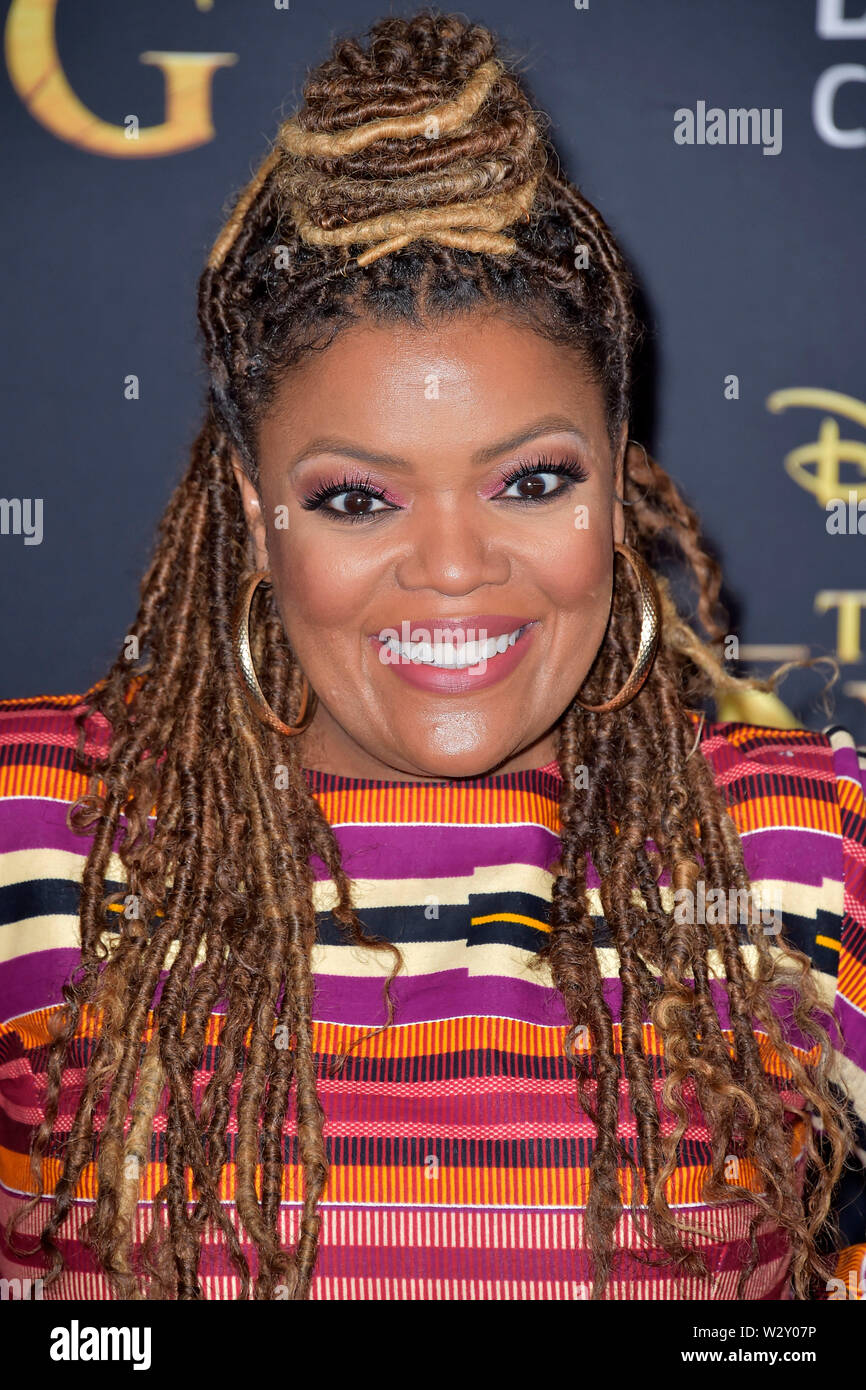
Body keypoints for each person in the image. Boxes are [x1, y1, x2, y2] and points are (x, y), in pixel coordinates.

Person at [1, 9, 864, 1302]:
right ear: (254, 507)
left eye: (529, 479)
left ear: (614, 481)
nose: (455, 567)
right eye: (359, 497)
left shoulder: (800, 847)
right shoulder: (41, 825)